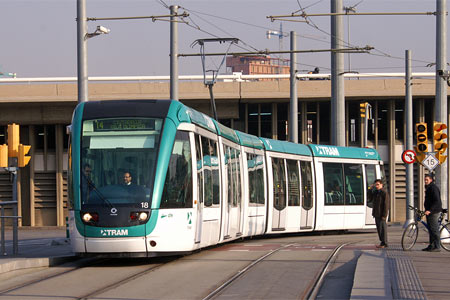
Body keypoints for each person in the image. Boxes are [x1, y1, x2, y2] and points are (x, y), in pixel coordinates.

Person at [423, 174, 442, 252]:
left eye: (427, 180)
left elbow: (437, 201)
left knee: (434, 229)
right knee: (430, 229)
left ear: (431, 180)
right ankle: (431, 246)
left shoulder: (433, 188)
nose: (425, 181)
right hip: (429, 211)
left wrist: (430, 210)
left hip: (434, 212)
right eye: (425, 180)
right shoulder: (428, 188)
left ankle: (437, 246)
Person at [369, 179, 390, 248]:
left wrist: (384, 215)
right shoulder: (375, 192)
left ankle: (385, 243)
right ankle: (382, 242)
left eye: (378, 184)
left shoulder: (384, 193)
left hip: (381, 214)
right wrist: (370, 189)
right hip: (376, 213)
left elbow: (386, 205)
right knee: (379, 229)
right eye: (375, 184)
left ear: (381, 185)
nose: (376, 186)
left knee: (383, 229)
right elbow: (370, 198)